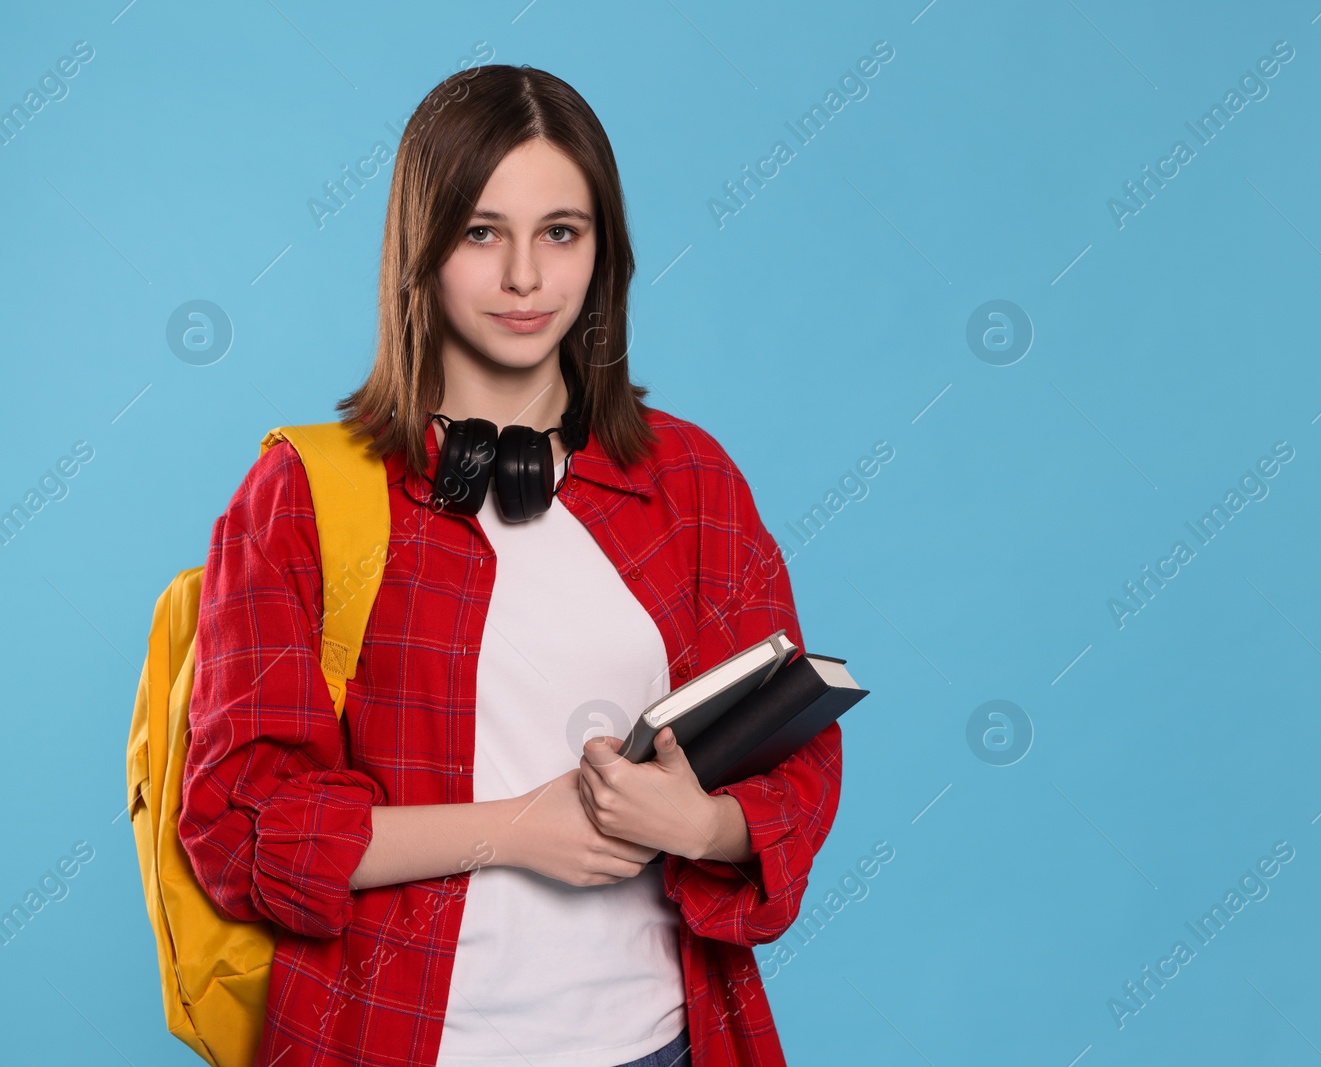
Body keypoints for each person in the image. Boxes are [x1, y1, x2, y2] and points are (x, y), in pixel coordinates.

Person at [177, 64, 842, 1067]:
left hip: (665, 1042)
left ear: (602, 252)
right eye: (482, 231)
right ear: (423, 248)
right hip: (399, 1040)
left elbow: (793, 762)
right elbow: (242, 824)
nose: (525, 277)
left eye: (560, 232)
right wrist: (514, 829)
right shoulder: (303, 498)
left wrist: (702, 823)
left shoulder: (691, 482)